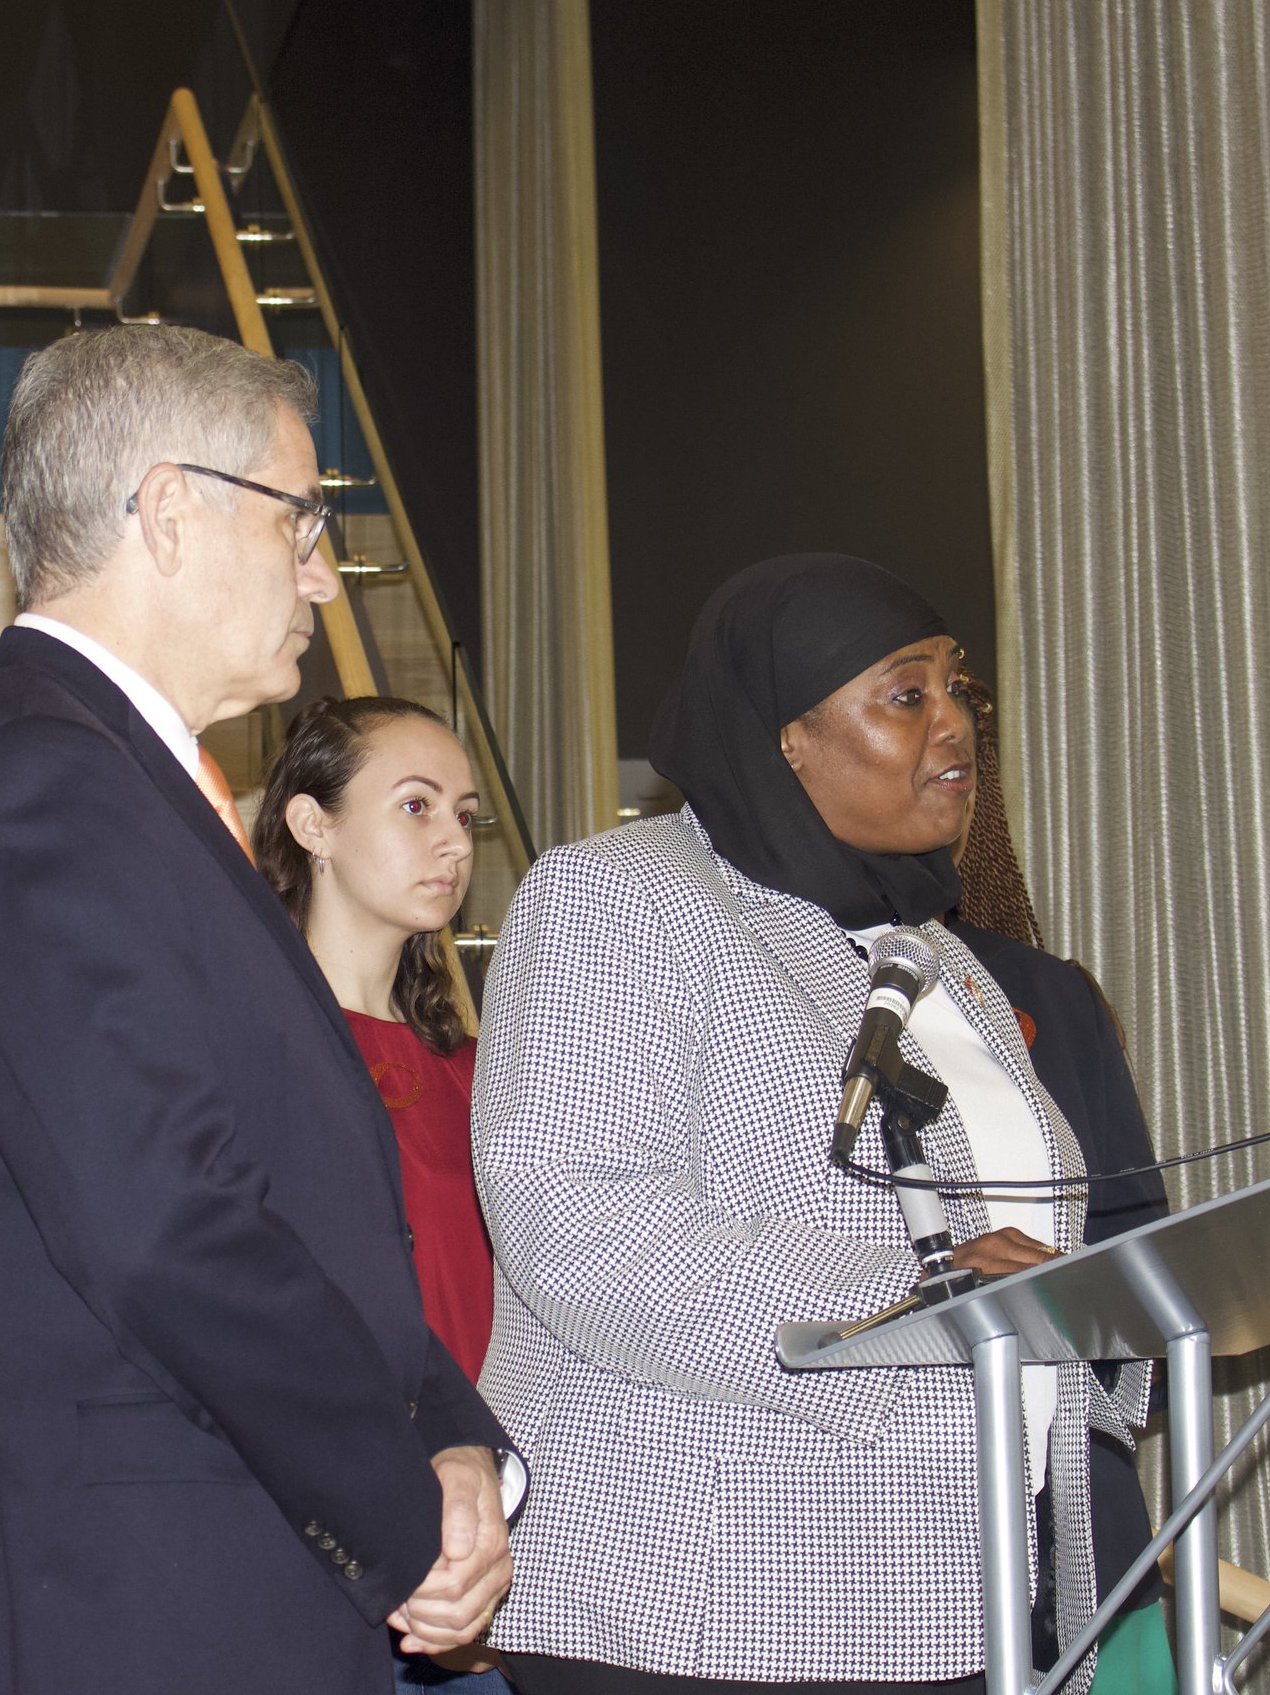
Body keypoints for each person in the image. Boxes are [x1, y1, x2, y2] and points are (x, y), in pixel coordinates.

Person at [0, 324, 517, 1695]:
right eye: (301, 520)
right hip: (142, 1603)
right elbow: (168, 1229)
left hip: (208, 1579)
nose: (322, 573)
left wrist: (450, 1434)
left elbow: (297, 1205)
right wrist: (406, 1518)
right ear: (168, 509)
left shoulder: (114, 783)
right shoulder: (46, 787)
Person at [471, 553, 1147, 1695]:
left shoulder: (934, 956)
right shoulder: (619, 896)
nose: (957, 727)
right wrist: (911, 1296)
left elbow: (1029, 1243)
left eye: (959, 690)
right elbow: (578, 1224)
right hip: (708, 1590)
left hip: (964, 1586)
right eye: (907, 694)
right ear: (788, 737)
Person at [256, 695, 511, 1695]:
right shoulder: (259, 1055)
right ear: (313, 825)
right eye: (415, 807)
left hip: (486, 1519)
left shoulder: (483, 1070)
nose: (452, 840)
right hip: (331, 1538)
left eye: (465, 813)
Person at [949, 674, 1173, 1691]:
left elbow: (1144, 1275)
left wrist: (1074, 1299)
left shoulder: (1048, 994)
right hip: (857, 1550)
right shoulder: (758, 973)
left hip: (1087, 1536)